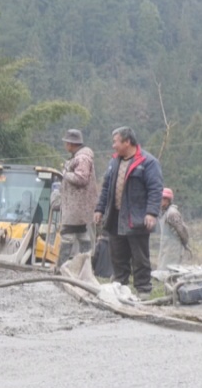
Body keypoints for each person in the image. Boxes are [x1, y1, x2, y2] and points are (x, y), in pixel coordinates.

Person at [94, 127, 163, 298]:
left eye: (116, 141)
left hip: (136, 217)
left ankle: (143, 289)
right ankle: (120, 286)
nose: (113, 146)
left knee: (139, 256)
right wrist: (99, 209)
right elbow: (105, 188)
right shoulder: (114, 162)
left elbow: (155, 189)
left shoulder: (148, 162)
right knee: (117, 254)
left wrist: (151, 213)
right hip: (115, 217)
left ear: (127, 142)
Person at [57, 129, 98, 268]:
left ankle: (62, 268)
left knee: (68, 235)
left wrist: (65, 174)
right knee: (82, 234)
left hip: (76, 206)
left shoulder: (82, 158)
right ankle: (85, 267)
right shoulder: (81, 157)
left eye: (66, 142)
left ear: (70, 143)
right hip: (79, 206)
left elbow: (81, 178)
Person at [158, 187, 191, 269]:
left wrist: (185, 243)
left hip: (173, 248)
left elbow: (182, 230)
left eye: (162, 199)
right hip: (166, 246)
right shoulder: (164, 212)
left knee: (170, 270)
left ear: (167, 200)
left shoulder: (172, 213)